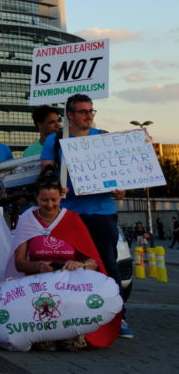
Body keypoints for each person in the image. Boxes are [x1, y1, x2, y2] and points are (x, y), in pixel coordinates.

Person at [40, 93, 130, 338]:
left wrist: (121, 190)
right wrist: (56, 187)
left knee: (108, 264)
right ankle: (71, 316)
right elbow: (45, 174)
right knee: (67, 265)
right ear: (70, 115)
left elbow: (117, 173)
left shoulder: (102, 137)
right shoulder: (56, 139)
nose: (89, 115)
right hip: (69, 214)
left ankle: (118, 317)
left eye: (91, 111)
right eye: (83, 111)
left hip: (102, 211)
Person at [9, 178, 111, 350]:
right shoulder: (27, 220)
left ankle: (68, 333)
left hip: (69, 285)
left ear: (61, 197)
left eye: (54, 200)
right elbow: (19, 263)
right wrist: (38, 266)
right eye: (44, 200)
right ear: (36, 198)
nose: (50, 205)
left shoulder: (72, 219)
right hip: (38, 285)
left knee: (72, 344)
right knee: (44, 343)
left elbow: (94, 262)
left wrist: (79, 265)